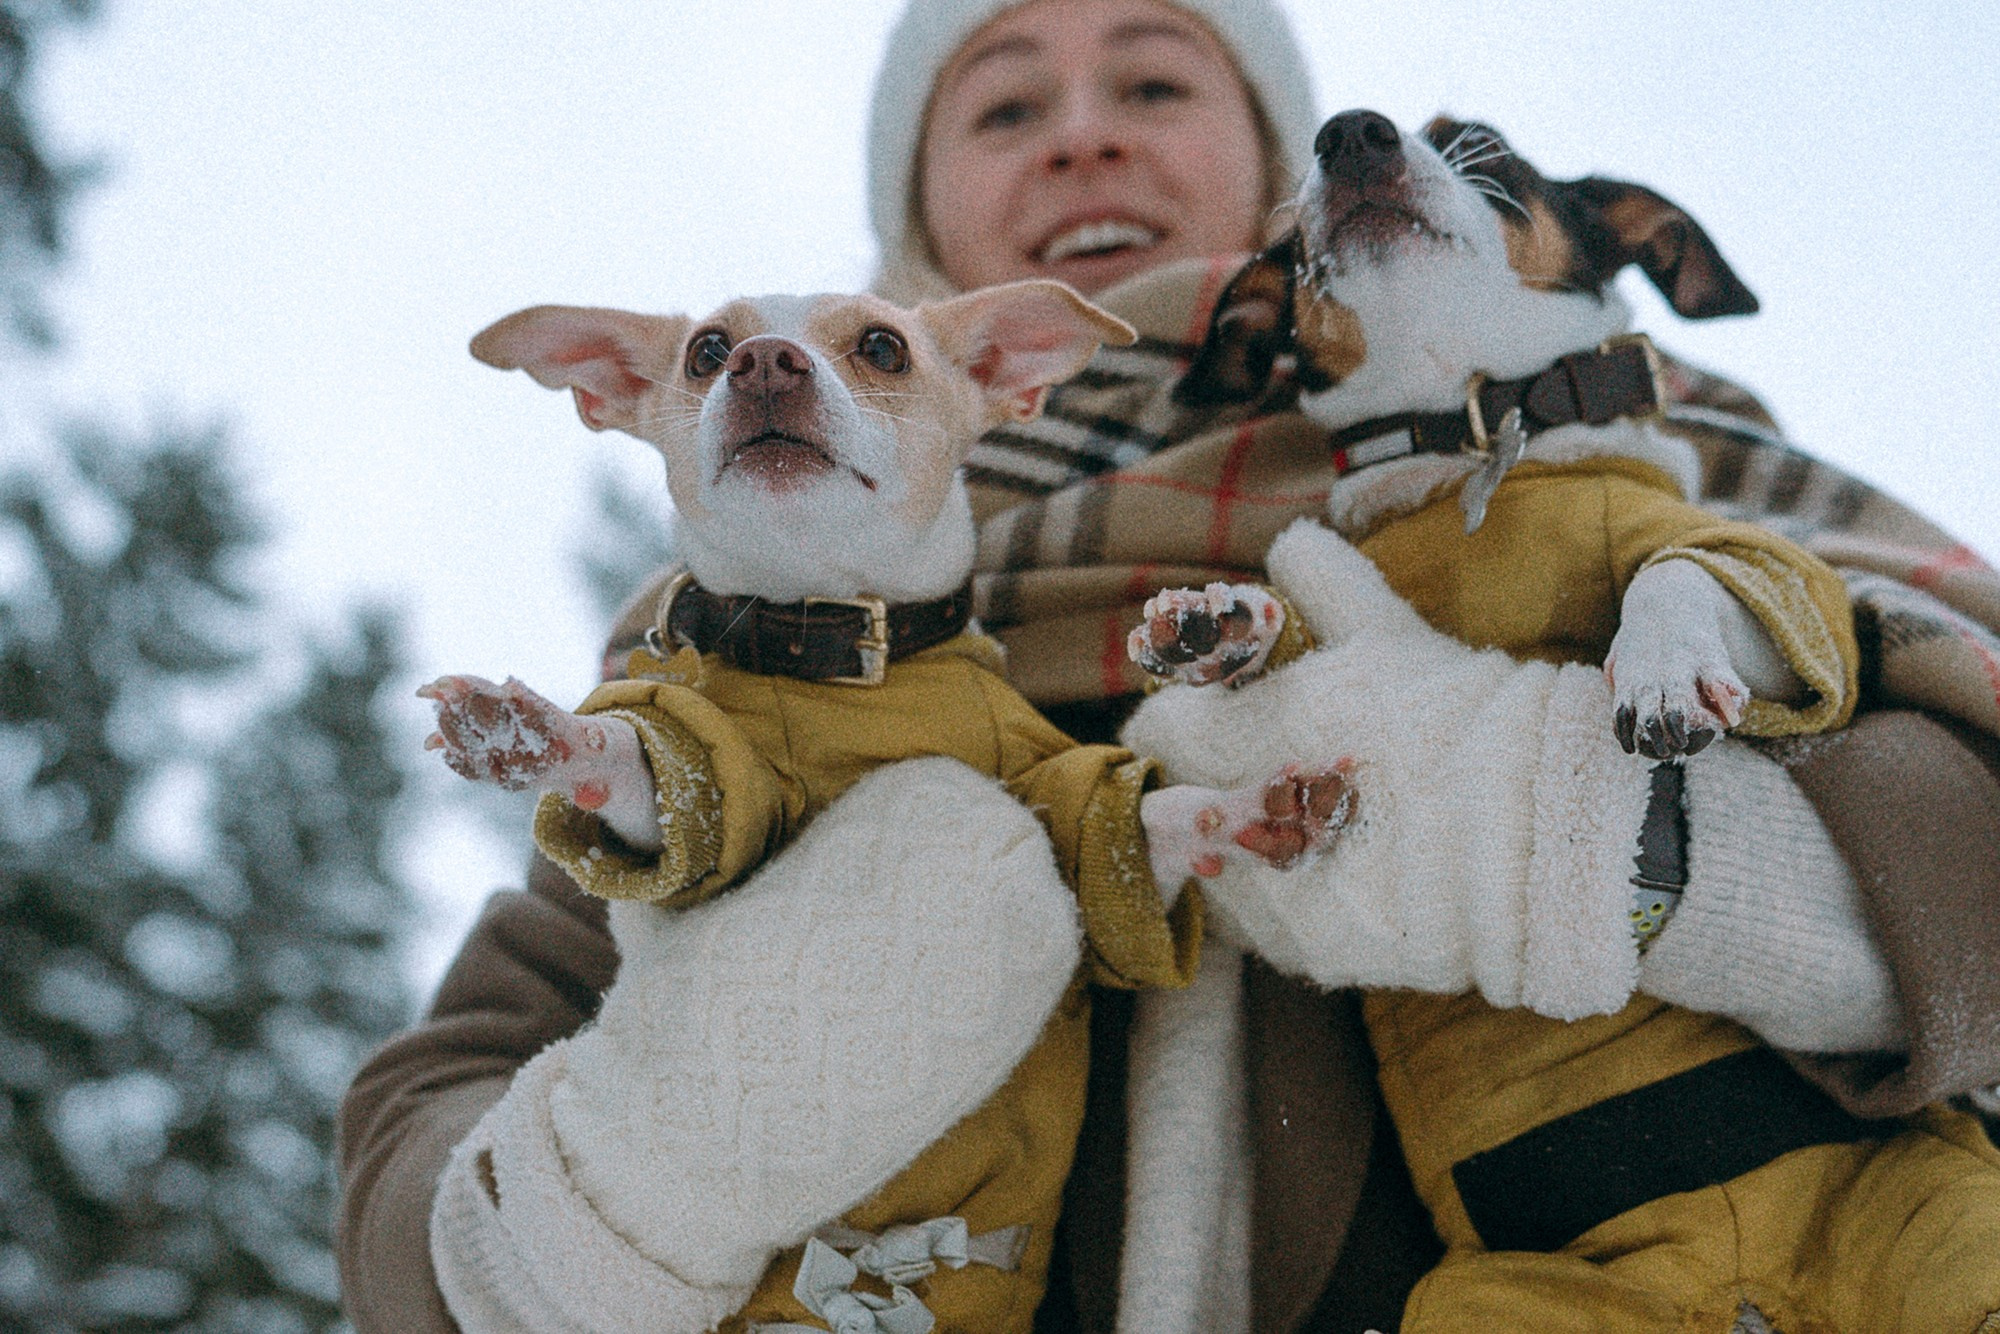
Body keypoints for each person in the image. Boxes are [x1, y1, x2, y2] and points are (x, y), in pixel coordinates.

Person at [337, 2, 2000, 1331]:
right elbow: (438, 1101)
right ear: (935, 262)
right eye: (1002, 105)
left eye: (1154, 74)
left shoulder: (1609, 426)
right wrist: (620, 1196)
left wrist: (1617, 849)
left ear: (1279, 170)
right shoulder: (744, 620)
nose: (1083, 129)